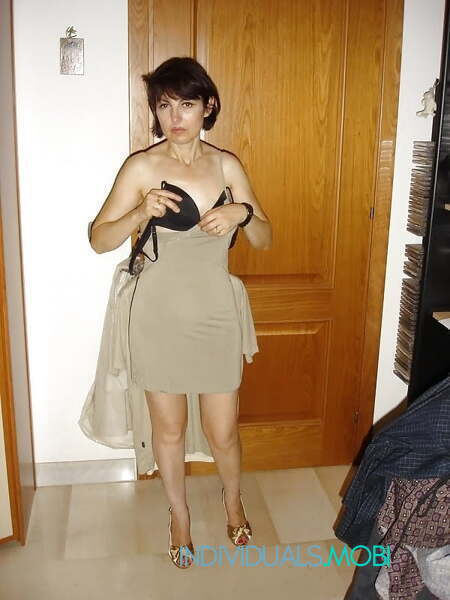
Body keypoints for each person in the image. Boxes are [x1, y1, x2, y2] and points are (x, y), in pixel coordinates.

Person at [89, 56, 272, 568]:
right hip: (158, 318)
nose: (175, 117)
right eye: (165, 106)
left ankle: (232, 502)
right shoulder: (142, 167)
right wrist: (139, 211)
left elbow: (264, 238)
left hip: (216, 314)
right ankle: (180, 516)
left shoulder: (227, 165)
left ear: (207, 106)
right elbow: (99, 239)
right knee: (167, 431)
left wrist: (243, 212)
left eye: (186, 104)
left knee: (223, 431)